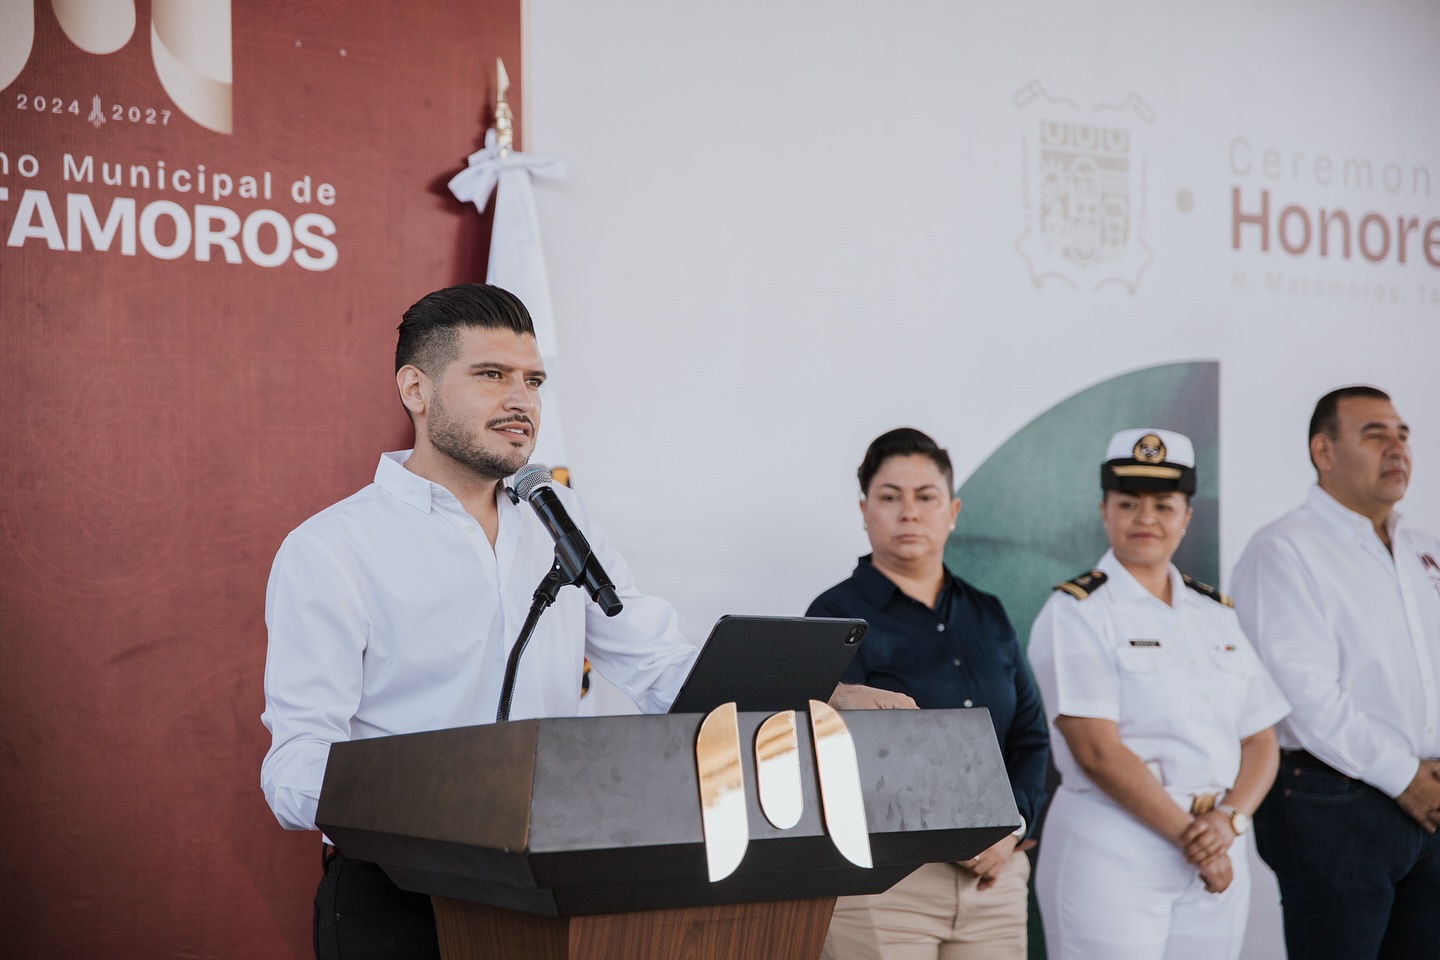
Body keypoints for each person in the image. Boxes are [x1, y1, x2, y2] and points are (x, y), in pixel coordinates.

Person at [259, 284, 703, 960]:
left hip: (546, 882)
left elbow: (656, 665)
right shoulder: (332, 548)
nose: (521, 400)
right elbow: (294, 771)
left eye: (533, 380)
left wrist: (807, 698)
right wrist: (449, 794)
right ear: (416, 388)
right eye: (492, 375)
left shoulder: (561, 522)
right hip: (398, 895)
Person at [1027, 428, 1289, 960]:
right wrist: (1196, 839)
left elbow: (1261, 738)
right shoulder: (1076, 611)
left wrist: (1229, 821)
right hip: (1115, 850)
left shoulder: (1214, 612)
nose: (1146, 518)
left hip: (1218, 840)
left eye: (1164, 505)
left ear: (1187, 516)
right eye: (1129, 503)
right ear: (1104, 510)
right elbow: (1097, 752)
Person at [812, 427, 1049, 960]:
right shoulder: (832, 618)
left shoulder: (988, 613)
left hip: (994, 877)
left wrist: (1010, 828)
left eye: (926, 497)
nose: (909, 513)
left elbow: (1030, 736)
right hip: (885, 887)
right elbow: (820, 751)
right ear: (864, 510)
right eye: (890, 497)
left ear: (953, 510)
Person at [1231, 386, 1440, 960]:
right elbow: (1304, 696)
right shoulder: (1284, 550)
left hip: (1429, 800)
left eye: (1403, 434)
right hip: (1335, 803)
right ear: (1324, 453)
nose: (1397, 447)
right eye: (1375, 433)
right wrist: (1406, 779)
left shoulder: (1427, 550)